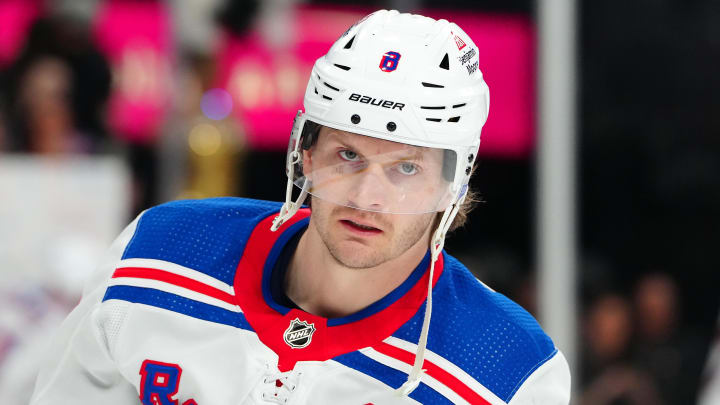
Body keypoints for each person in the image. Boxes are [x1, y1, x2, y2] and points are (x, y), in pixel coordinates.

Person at [30, 10, 570, 404]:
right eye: (347, 155)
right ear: (304, 154)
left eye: (406, 168)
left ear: (455, 183)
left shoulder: (508, 369)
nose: (366, 197)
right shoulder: (159, 254)